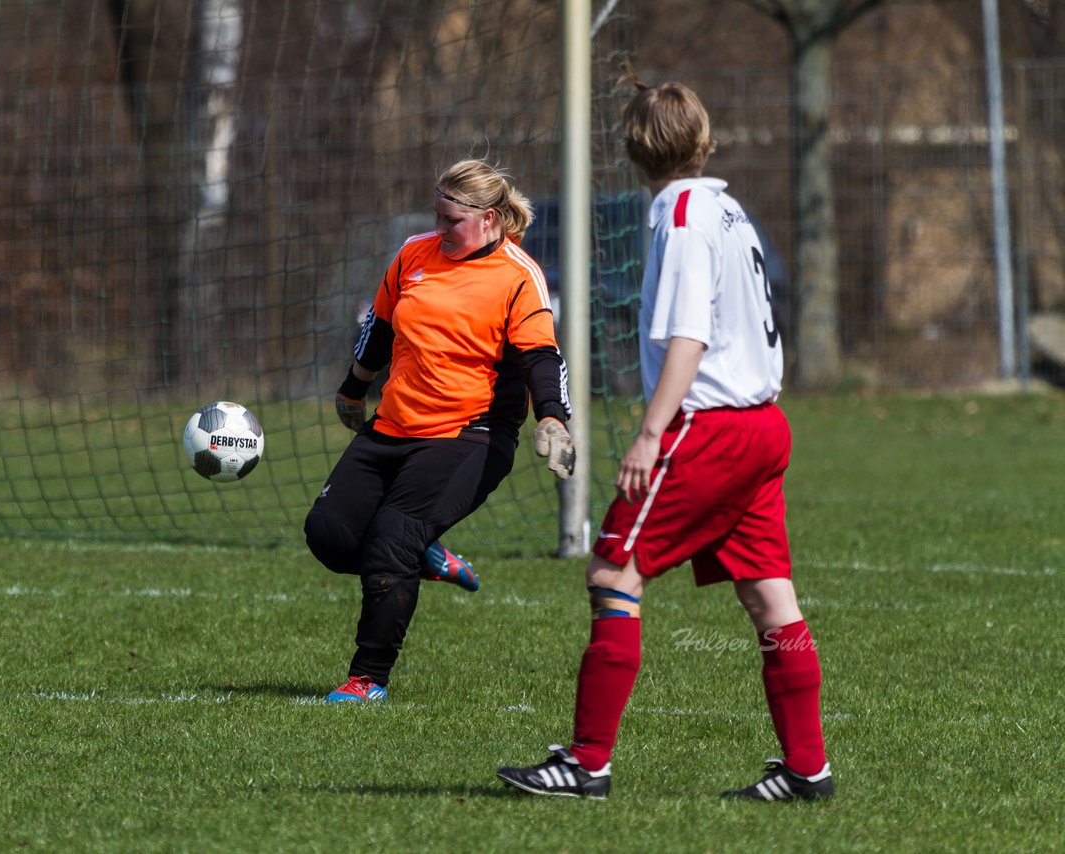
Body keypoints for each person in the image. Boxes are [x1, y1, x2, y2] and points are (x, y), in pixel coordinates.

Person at [496, 79, 832, 801]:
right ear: (702, 138)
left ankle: (586, 764)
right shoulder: (727, 206)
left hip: (706, 427)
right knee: (770, 598)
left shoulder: (679, 213)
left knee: (615, 574)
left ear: (632, 149)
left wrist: (650, 435)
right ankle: (808, 769)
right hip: (764, 425)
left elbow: (690, 334)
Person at [305, 158, 576, 703]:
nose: (441, 228)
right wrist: (351, 389)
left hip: (470, 435)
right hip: (394, 424)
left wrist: (552, 416)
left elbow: (543, 356)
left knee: (390, 541)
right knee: (328, 536)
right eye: (437, 214)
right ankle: (426, 555)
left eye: (452, 219)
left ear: (491, 219)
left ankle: (367, 680)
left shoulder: (518, 275)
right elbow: (379, 329)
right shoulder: (413, 253)